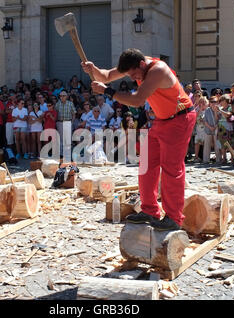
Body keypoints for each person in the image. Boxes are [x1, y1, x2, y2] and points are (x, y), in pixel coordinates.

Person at [82, 48, 196, 231]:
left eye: (134, 74)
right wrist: (93, 69)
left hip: (180, 118)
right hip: (162, 119)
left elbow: (137, 100)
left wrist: (108, 92)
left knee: (171, 169)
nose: (133, 77)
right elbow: (105, 76)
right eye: (129, 74)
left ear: (142, 64)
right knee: (146, 164)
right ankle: (150, 211)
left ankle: (174, 218)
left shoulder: (158, 70)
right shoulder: (134, 65)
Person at [55, 90, 76, 160]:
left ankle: (68, 155)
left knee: (68, 139)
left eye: (63, 96)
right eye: (60, 96)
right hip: (60, 122)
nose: (62, 97)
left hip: (68, 122)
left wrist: (72, 122)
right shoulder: (57, 104)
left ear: (66, 96)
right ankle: (61, 155)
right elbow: (55, 113)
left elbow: (74, 114)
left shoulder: (70, 103)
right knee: (60, 140)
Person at [217, 94, 234, 164]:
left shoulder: (230, 107)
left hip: (229, 128)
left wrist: (220, 110)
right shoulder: (220, 108)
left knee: (230, 144)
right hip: (221, 127)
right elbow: (217, 118)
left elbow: (228, 115)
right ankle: (224, 158)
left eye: (222, 100)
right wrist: (216, 111)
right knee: (222, 144)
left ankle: (232, 159)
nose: (221, 102)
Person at [203, 96, 221, 164]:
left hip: (216, 129)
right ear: (209, 102)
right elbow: (205, 120)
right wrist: (210, 127)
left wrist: (216, 112)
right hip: (208, 128)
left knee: (217, 145)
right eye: (212, 102)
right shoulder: (207, 110)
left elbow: (218, 120)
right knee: (207, 145)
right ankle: (206, 160)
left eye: (215, 102)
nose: (213, 103)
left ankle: (218, 159)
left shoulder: (219, 109)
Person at [193, 96, 208, 163]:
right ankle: (196, 157)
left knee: (205, 143)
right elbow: (194, 117)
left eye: (204, 102)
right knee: (197, 143)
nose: (203, 103)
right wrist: (200, 109)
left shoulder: (208, 110)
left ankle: (205, 157)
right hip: (198, 128)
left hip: (206, 129)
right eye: (201, 102)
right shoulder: (196, 109)